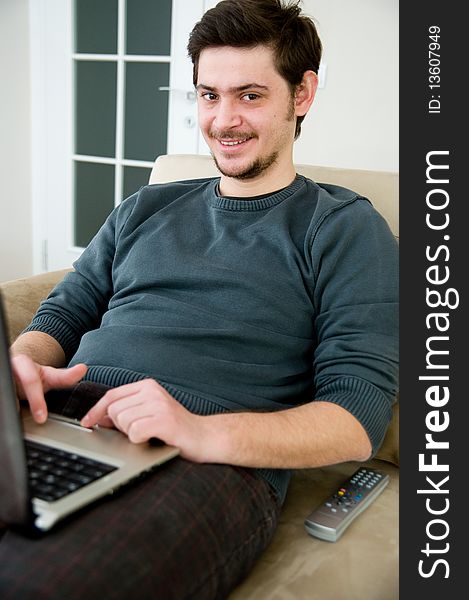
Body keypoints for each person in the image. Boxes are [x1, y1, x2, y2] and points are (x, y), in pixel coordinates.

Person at [1, 0, 398, 597]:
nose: (223, 120)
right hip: (63, 420)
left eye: (250, 95)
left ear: (302, 94)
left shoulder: (343, 227)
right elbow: (62, 313)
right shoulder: (146, 206)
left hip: (207, 459)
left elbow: (356, 417)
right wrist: (26, 362)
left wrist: (200, 432)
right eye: (209, 95)